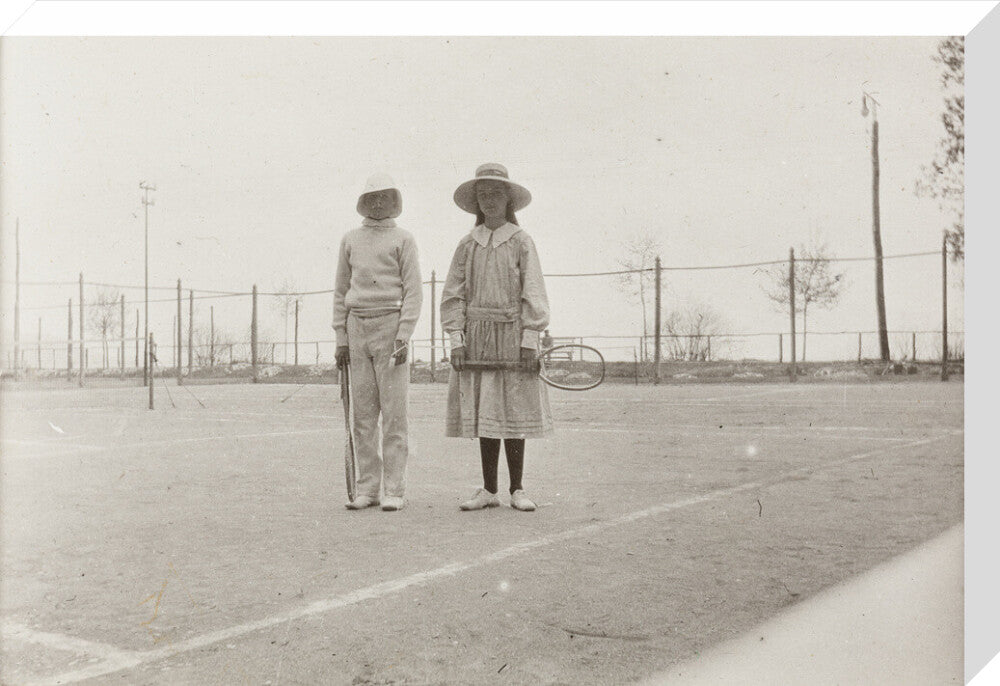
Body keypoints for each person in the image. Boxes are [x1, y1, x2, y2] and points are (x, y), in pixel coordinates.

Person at [441, 163, 552, 512]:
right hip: (477, 337)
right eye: (483, 195)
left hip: (513, 335)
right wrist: (457, 341)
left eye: (496, 193)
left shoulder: (521, 242)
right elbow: (453, 295)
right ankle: (489, 490)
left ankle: (517, 489)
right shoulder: (466, 245)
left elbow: (533, 290)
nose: (489, 200)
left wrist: (529, 342)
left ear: (509, 200)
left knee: (513, 409)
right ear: (476, 202)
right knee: (486, 408)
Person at [333, 172, 422, 512]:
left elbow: (413, 290)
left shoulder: (404, 239)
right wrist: (341, 336)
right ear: (364, 202)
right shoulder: (350, 239)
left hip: (391, 325)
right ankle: (367, 488)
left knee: (395, 413)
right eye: (373, 197)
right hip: (357, 327)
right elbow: (341, 291)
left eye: (385, 197)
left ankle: (394, 489)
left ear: (394, 200)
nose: (378, 203)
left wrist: (404, 335)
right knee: (363, 414)